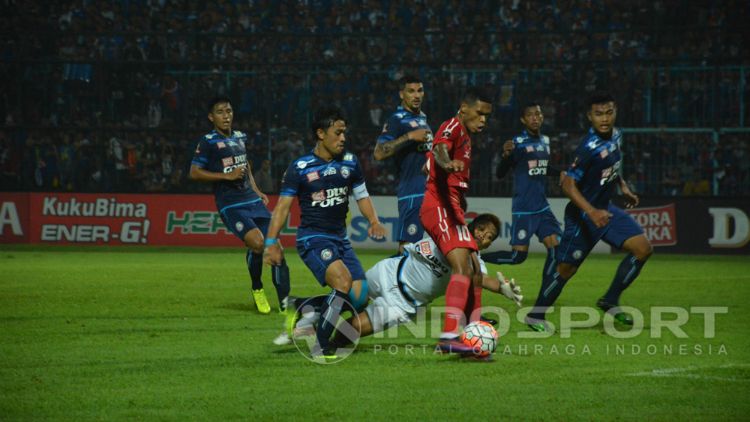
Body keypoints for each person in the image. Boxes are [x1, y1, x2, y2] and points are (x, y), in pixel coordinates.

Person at [277, 214, 523, 354]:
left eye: (490, 238)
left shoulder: (474, 262)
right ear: (473, 228)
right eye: (483, 231)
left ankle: (311, 321)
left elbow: (483, 280)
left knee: (346, 334)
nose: (485, 239)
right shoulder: (445, 233)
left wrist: (502, 288)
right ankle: (303, 308)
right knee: (348, 298)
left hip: (402, 305)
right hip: (388, 272)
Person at [263, 106, 387, 360]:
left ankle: (302, 306)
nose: (343, 138)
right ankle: (321, 344)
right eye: (337, 133)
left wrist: (373, 220)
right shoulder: (300, 167)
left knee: (360, 297)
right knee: (342, 283)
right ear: (320, 133)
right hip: (313, 238)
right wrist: (271, 241)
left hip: (340, 239)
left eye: (344, 133)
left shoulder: (350, 163)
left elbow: (362, 196)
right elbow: (283, 207)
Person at [526, 92, 653, 331]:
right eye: (598, 114)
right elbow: (568, 184)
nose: (604, 118)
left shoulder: (616, 135)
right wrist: (592, 212)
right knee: (566, 270)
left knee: (642, 249)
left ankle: (610, 299)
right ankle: (536, 315)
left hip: (606, 211)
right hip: (583, 216)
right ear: (589, 117)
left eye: (608, 112)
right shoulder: (588, 147)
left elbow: (613, 165)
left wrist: (622, 185)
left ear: (615, 112)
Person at [189, 96, 290, 314]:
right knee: (257, 243)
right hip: (231, 204)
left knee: (276, 248)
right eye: (220, 112)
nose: (226, 116)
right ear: (211, 117)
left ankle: (284, 304)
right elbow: (194, 172)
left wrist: (257, 190)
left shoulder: (240, 136)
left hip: (252, 200)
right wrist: (226, 177)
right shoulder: (208, 141)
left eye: (229, 111)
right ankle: (257, 288)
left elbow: (246, 166)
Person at [419, 87, 493, 353]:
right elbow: (439, 149)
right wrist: (446, 163)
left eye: (487, 115)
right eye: (480, 113)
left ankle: (473, 329)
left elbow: (430, 159)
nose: (483, 119)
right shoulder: (452, 125)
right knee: (462, 266)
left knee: (474, 270)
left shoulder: (465, 135)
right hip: (439, 206)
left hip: (453, 208)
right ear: (464, 108)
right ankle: (448, 337)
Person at [482, 103, 561, 298]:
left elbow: (543, 167)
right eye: (530, 115)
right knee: (518, 257)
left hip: (542, 208)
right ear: (523, 120)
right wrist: (507, 156)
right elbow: (500, 174)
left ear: (542, 117)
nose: (535, 118)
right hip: (524, 209)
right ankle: (477, 257)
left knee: (556, 250)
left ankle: (546, 292)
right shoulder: (517, 142)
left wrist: (562, 174)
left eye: (538, 114)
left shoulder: (545, 140)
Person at [373, 75, 433, 254]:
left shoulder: (423, 119)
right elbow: (378, 153)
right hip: (412, 192)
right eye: (411, 91)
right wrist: (409, 137)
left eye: (419, 90)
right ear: (402, 94)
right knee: (408, 248)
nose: (416, 95)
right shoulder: (396, 120)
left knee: (426, 249)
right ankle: (383, 280)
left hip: (428, 191)